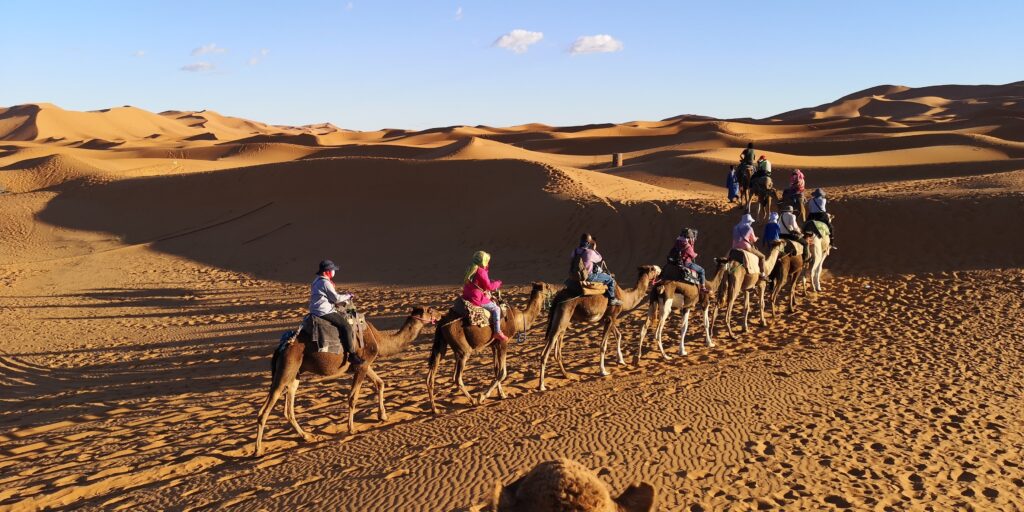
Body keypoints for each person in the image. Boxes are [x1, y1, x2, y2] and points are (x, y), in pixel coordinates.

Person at [310, 259, 362, 365]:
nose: (334, 272)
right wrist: (348, 295)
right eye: (332, 270)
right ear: (326, 272)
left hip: (316, 309)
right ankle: (352, 355)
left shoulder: (317, 280)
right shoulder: (325, 282)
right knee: (346, 326)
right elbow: (336, 299)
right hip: (324, 311)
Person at [462, 251, 508, 342]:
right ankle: (497, 332)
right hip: (476, 298)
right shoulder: (481, 271)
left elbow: (477, 282)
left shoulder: (471, 267)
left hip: (466, 294)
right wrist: (498, 283)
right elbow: (489, 287)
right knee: (496, 309)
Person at [570, 233, 621, 306]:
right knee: (610, 280)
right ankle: (612, 299)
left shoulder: (574, 251)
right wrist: (594, 249)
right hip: (588, 276)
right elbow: (599, 258)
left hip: (575, 275)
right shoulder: (589, 252)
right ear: (588, 243)